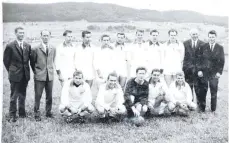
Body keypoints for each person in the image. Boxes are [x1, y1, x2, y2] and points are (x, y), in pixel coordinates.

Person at [3, 27, 32, 122]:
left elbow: (27, 60)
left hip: (25, 75)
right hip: (14, 75)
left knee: (23, 95)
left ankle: (22, 113)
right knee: (14, 95)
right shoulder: (10, 46)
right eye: (20, 33)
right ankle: (12, 115)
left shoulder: (27, 45)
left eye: (23, 33)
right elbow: (6, 61)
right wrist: (12, 71)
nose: (22, 34)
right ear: (15, 33)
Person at [30, 30, 56, 121]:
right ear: (41, 36)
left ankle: (48, 112)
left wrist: (50, 71)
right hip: (39, 76)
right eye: (44, 35)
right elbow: (32, 62)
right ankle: (36, 113)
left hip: (50, 76)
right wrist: (37, 72)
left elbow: (52, 60)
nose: (46, 37)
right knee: (38, 95)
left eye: (47, 35)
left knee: (49, 96)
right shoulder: (35, 48)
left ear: (50, 36)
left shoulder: (53, 48)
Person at [203, 30, 225, 112]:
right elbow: (200, 59)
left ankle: (213, 109)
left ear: (215, 37)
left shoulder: (220, 48)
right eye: (210, 37)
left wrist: (219, 72)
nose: (211, 38)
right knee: (203, 90)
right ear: (208, 37)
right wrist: (200, 70)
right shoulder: (203, 46)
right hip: (204, 73)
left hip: (214, 74)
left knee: (213, 90)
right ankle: (202, 108)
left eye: (213, 37)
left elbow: (222, 61)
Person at [183, 28, 207, 102]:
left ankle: (199, 104)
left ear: (198, 34)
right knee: (189, 87)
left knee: (198, 87)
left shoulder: (203, 44)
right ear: (190, 35)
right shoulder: (185, 43)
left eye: (196, 34)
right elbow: (183, 56)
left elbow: (204, 59)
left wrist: (201, 70)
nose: (195, 35)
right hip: (188, 69)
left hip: (198, 70)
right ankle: (190, 103)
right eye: (193, 34)